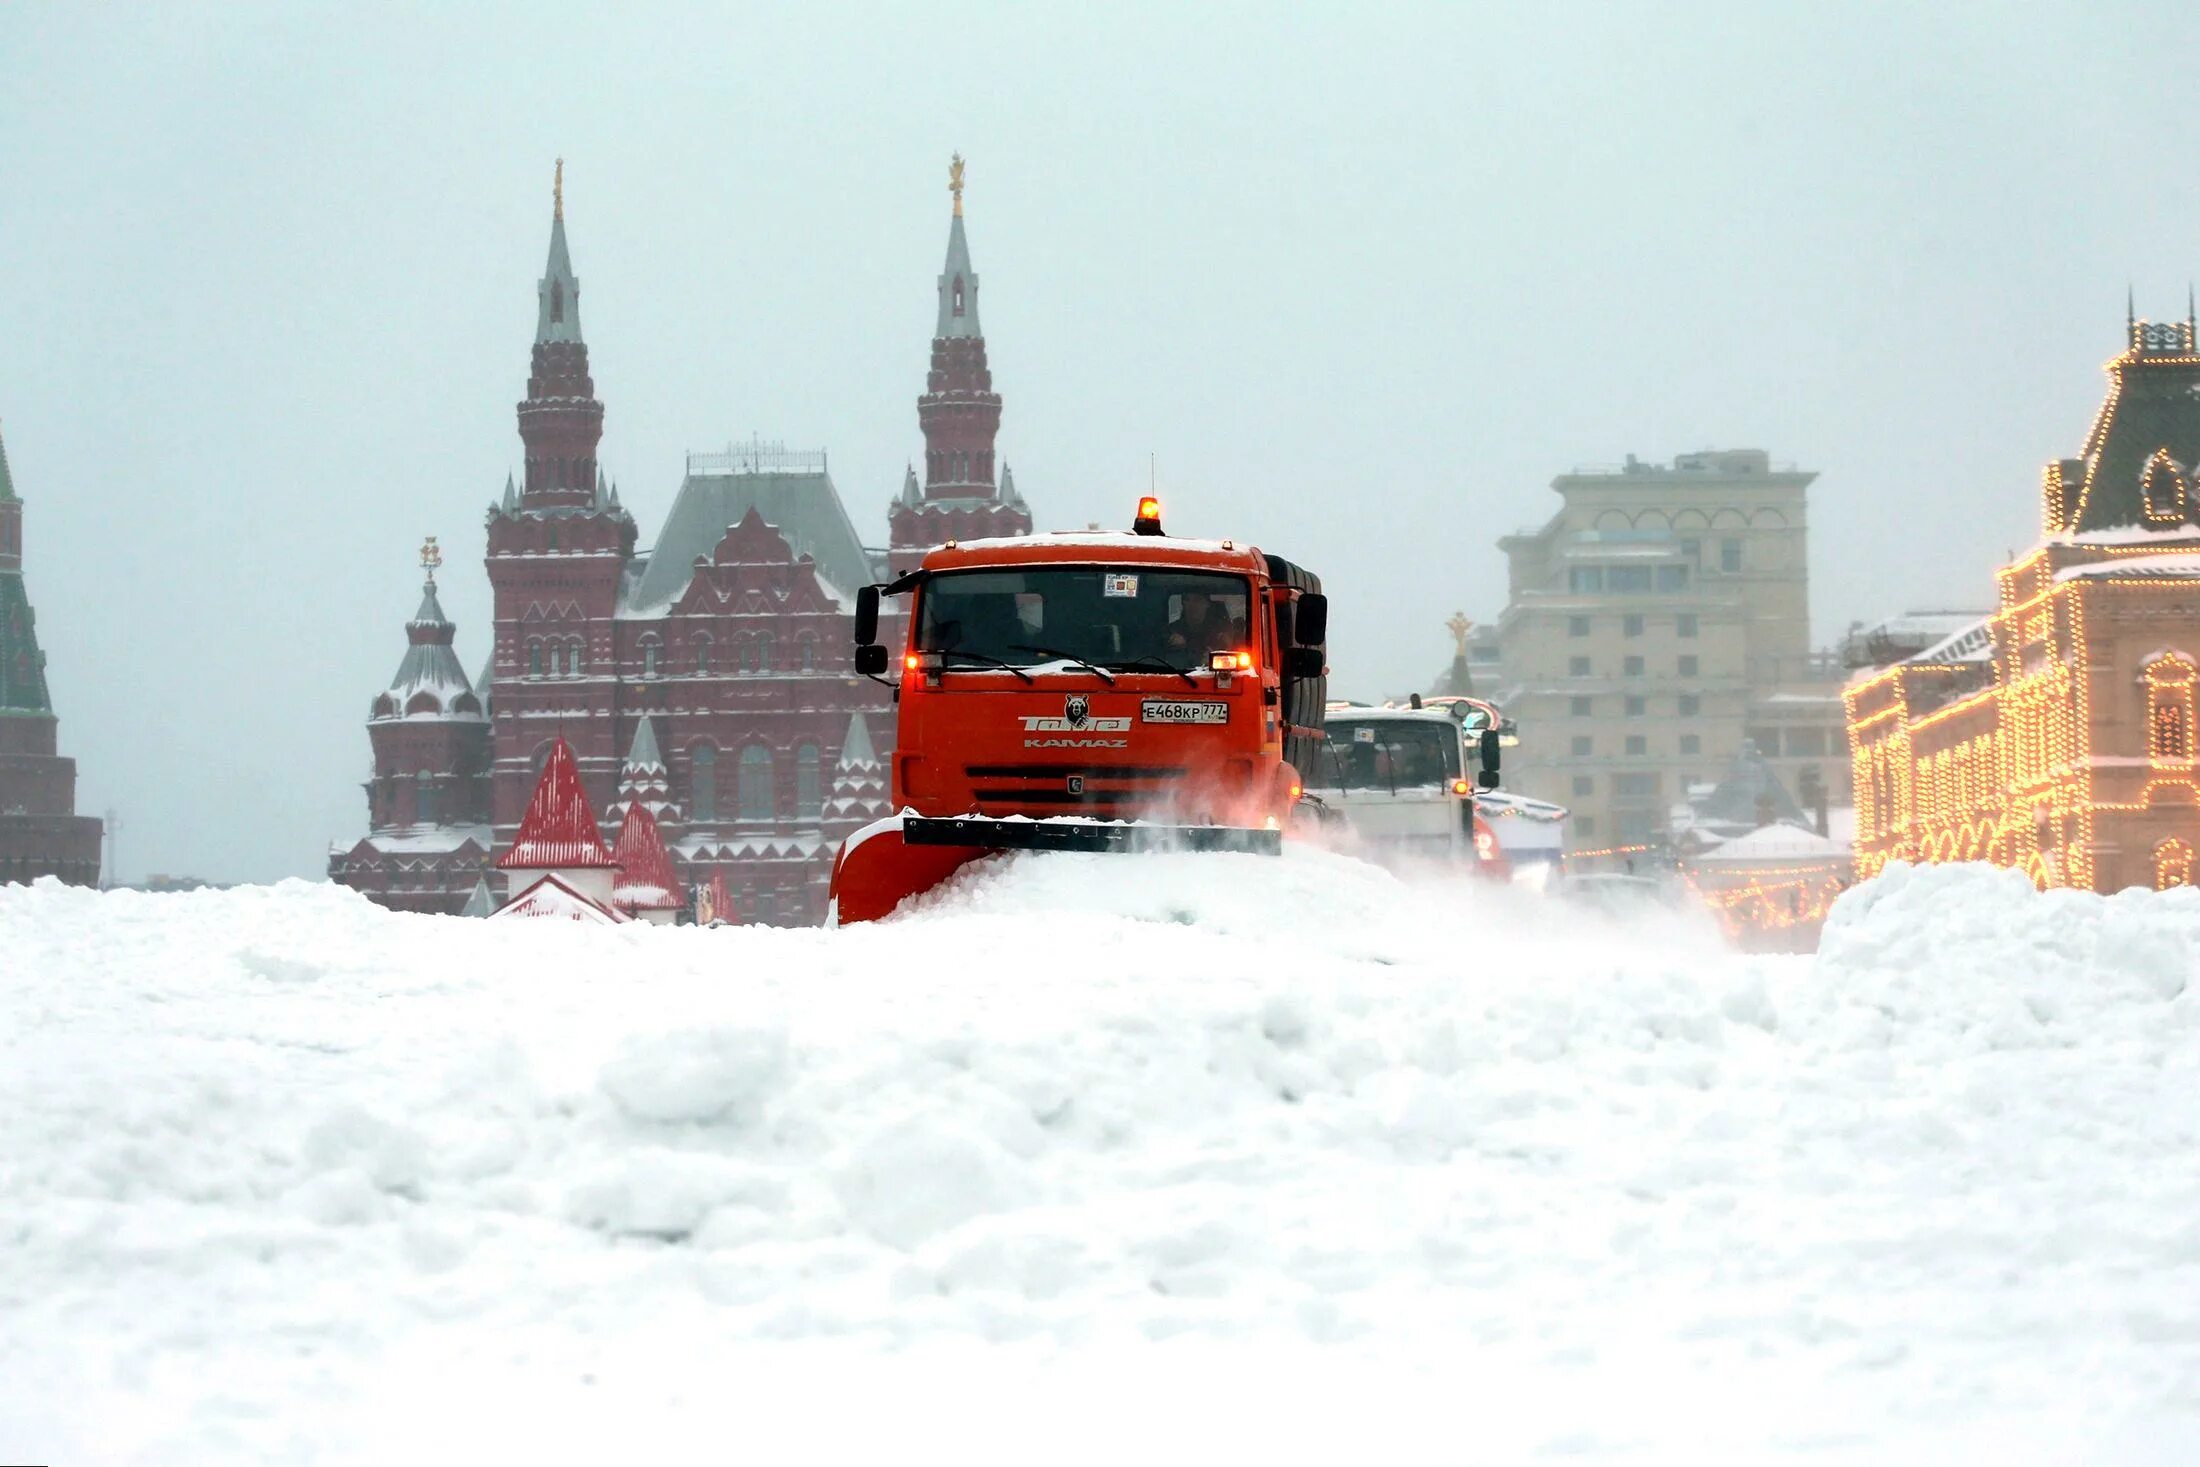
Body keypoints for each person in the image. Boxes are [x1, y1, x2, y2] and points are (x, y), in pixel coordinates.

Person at [1165, 590, 1236, 658]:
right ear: (1183, 603)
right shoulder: (1172, 630)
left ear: (1207, 604)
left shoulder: (1220, 631)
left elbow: (1234, 657)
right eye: (1187, 600)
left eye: (1197, 600)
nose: (1192, 604)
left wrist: (1215, 656)